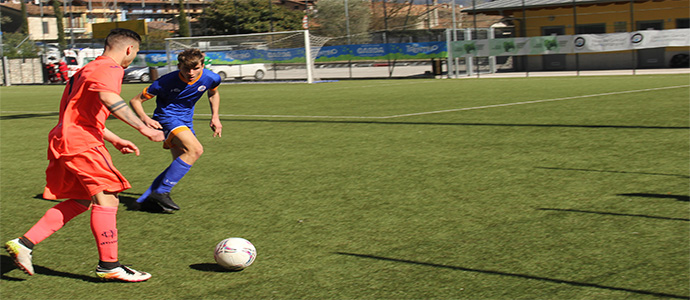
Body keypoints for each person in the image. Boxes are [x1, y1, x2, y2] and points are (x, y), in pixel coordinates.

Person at [4, 28, 165, 282]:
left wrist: (114, 138)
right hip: (81, 142)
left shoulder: (86, 69)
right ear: (128, 50)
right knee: (109, 198)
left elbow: (81, 113)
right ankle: (109, 265)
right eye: (134, 54)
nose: (131, 59)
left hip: (66, 137)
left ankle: (24, 243)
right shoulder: (111, 69)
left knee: (81, 200)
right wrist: (143, 127)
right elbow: (109, 97)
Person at [129, 48, 222, 212]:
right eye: (186, 68)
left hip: (186, 121)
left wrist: (215, 116)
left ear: (202, 66)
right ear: (179, 66)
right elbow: (135, 101)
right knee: (196, 150)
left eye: (196, 68)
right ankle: (162, 191)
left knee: (180, 162)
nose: (191, 73)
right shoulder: (165, 81)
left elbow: (213, 93)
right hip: (166, 118)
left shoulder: (211, 78)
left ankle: (146, 200)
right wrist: (145, 119)